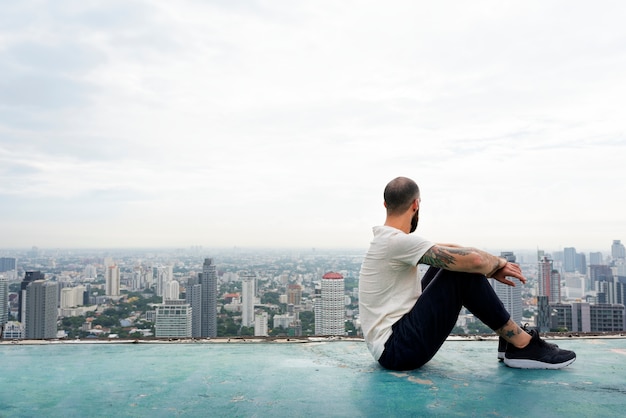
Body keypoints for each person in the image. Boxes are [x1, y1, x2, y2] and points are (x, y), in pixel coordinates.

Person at [358, 176, 576, 370]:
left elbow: (451, 250)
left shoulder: (390, 241)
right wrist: (497, 264)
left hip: (395, 344)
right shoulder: (396, 242)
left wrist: (490, 267)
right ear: (416, 204)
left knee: (447, 265)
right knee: (459, 273)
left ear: (386, 204)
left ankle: (510, 341)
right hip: (397, 351)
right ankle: (522, 344)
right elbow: (474, 260)